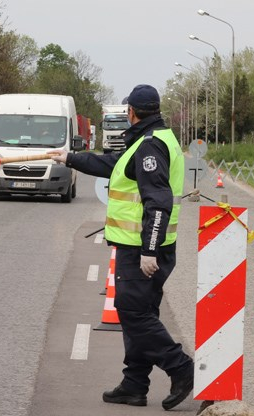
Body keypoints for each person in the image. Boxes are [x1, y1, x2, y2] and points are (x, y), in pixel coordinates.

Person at [47, 84, 194, 411]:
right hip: (150, 245)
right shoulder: (152, 140)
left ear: (131, 112)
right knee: (140, 314)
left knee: (133, 313)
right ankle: (134, 385)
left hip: (141, 249)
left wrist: (148, 251)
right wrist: (70, 158)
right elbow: (113, 164)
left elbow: (158, 203)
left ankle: (182, 368)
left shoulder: (150, 146)